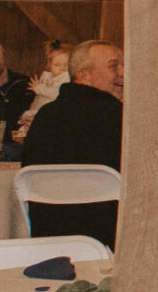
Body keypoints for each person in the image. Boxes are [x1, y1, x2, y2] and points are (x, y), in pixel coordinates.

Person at [18, 40, 124, 246]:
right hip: (111, 238)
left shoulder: (45, 116)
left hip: (49, 237)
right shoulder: (120, 119)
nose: (123, 72)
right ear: (83, 76)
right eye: (114, 66)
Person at [27, 40, 72, 119]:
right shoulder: (48, 77)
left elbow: (57, 93)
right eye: (57, 65)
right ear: (49, 65)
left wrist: (39, 88)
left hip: (53, 114)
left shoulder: (66, 78)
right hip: (38, 111)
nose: (62, 68)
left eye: (66, 65)